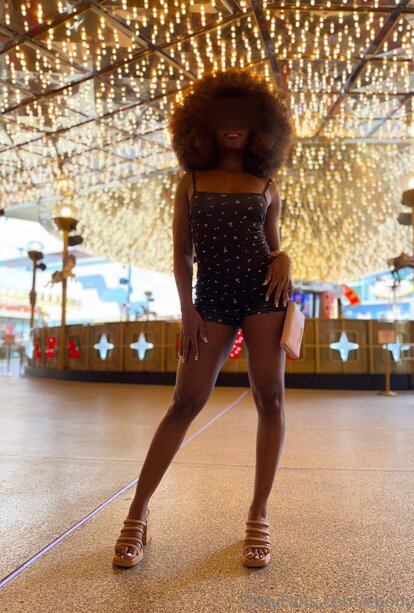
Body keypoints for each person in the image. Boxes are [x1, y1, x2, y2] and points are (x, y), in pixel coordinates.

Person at [113, 68, 294, 569]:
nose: (233, 123)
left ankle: (258, 514)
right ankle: (138, 511)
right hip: (209, 300)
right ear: (203, 125)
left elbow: (273, 247)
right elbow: (181, 253)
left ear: (260, 127)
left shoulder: (267, 185)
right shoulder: (189, 183)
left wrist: (285, 258)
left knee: (270, 397)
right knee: (184, 402)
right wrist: (186, 310)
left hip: (264, 296)